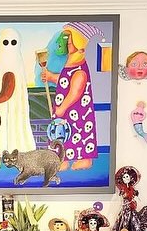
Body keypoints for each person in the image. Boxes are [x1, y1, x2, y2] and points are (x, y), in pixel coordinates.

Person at [40, 22, 104, 171]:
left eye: (70, 39)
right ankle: (61, 158)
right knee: (62, 132)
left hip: (76, 111)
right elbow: (65, 81)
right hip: (65, 111)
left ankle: (84, 159)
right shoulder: (71, 64)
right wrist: (51, 77)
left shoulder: (80, 68)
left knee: (78, 132)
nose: (67, 42)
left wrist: (62, 107)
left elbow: (75, 90)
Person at [0, 28, 36, 171]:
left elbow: (7, 93)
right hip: (1, 108)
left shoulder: (11, 68)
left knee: (2, 131)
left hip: (5, 109)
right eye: (5, 42)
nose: (9, 46)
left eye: (13, 42)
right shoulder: (5, 63)